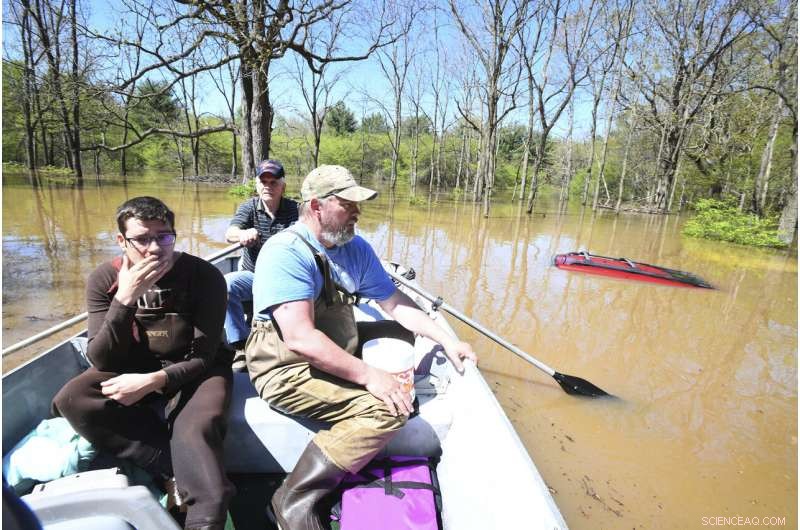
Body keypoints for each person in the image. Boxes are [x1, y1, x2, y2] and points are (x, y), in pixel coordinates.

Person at [245, 165, 477, 530]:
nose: (357, 211)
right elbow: (300, 338)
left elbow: (396, 304)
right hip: (286, 366)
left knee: (402, 336)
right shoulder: (285, 252)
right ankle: (292, 499)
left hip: (336, 345)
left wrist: (448, 341)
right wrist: (372, 377)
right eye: (347, 203)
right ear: (316, 205)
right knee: (388, 408)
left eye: (358, 203)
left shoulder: (355, 248)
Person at [51, 196, 235, 530]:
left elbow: (203, 356)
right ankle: (172, 470)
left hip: (198, 371)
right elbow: (101, 357)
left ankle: (205, 504)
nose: (154, 248)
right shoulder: (103, 280)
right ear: (122, 241)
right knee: (72, 398)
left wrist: (155, 381)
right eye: (142, 239)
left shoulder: (204, 276)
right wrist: (124, 299)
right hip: (134, 365)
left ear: (173, 235)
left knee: (194, 430)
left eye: (163, 236)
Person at [224, 159, 298, 366]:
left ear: (282, 186)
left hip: (287, 278)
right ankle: (240, 345)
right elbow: (230, 233)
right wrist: (242, 233)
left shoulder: (296, 209)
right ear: (257, 185)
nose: (268, 186)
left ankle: (294, 342)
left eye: (273, 182)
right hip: (253, 276)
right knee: (226, 284)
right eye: (263, 181)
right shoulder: (248, 207)